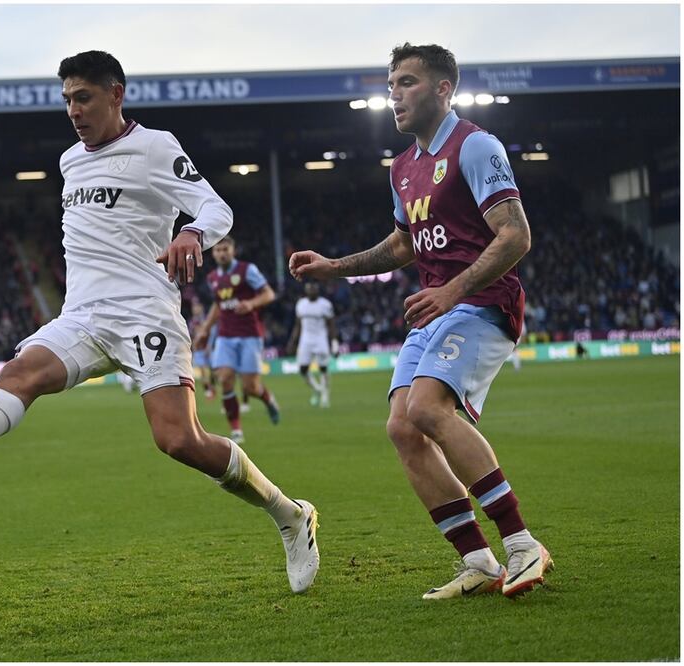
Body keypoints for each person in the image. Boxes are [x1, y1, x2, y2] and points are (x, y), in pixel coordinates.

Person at [0, 50, 319, 594]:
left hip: (144, 311)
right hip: (82, 314)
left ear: (116, 94)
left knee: (179, 440)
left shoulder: (154, 147)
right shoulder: (69, 161)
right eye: (66, 100)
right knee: (19, 372)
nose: (73, 110)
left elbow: (216, 208)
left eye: (83, 97)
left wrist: (191, 234)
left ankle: (290, 515)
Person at [289, 43, 550, 600]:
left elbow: (516, 234)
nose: (394, 95)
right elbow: (404, 245)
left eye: (407, 83)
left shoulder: (475, 146)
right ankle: (478, 561)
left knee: (427, 407)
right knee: (402, 427)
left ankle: (523, 544)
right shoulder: (403, 167)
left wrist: (453, 289)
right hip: (437, 311)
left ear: (442, 89)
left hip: (482, 303)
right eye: (391, 85)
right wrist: (334, 267)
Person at [194, 236, 281, 444]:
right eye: (218, 250)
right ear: (213, 254)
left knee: (251, 388)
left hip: (250, 334)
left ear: (233, 250)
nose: (222, 253)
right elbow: (218, 304)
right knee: (224, 379)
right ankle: (236, 430)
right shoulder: (212, 277)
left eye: (225, 249)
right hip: (225, 335)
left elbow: (269, 294)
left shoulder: (247, 270)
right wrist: (205, 330)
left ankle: (268, 399)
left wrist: (251, 304)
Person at [286, 282, 337, 407]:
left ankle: (325, 395)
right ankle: (318, 389)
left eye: (314, 288)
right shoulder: (301, 304)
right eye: (309, 289)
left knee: (323, 368)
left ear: (318, 289)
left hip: (321, 339)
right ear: (306, 290)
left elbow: (331, 325)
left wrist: (334, 343)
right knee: (302, 369)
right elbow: (298, 325)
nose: (311, 291)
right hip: (305, 340)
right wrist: (293, 342)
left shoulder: (325, 304)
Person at [187, 299, 216, 399]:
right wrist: (192, 346)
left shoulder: (206, 320)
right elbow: (190, 335)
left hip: (208, 349)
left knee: (214, 370)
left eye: (197, 307)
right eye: (194, 307)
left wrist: (209, 346)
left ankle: (213, 386)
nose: (195, 309)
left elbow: (211, 333)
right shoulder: (192, 322)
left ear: (201, 308)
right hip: (198, 350)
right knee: (203, 370)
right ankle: (208, 390)